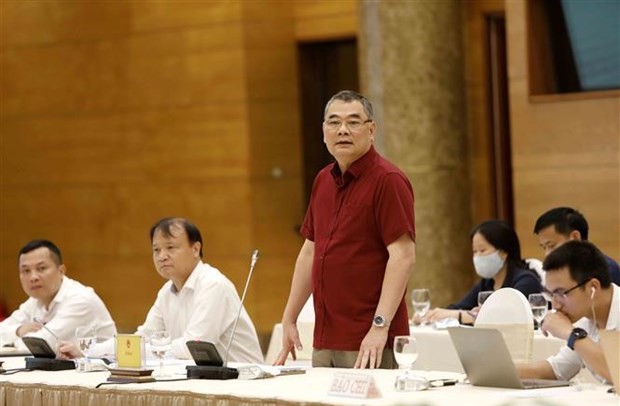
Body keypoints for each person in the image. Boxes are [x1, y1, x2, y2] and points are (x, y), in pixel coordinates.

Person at [274, 90, 416, 369]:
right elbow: (309, 251)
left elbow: (403, 256)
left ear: (371, 130)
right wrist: (289, 317)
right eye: (334, 122)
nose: (342, 130)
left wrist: (379, 327)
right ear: (323, 131)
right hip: (325, 337)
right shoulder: (323, 180)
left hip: (369, 340)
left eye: (353, 122)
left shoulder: (388, 180)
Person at [59, 217, 263, 363]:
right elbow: (143, 337)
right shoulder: (167, 291)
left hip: (243, 382)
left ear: (195, 249)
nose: (162, 256)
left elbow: (193, 347)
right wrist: (91, 351)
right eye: (156, 249)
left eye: (171, 248)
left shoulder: (213, 284)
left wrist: (148, 350)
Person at [517, 240, 618, 383]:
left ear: (593, 287)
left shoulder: (579, 328)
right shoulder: (585, 318)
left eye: (561, 293)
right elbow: (556, 369)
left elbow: (617, 374)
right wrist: (498, 370)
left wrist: (572, 334)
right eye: (551, 295)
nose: (556, 305)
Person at [0, 239, 116, 351]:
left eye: (41, 268)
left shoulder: (80, 299)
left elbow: (42, 345)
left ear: (61, 271)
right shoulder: (35, 301)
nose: (33, 277)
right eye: (26, 271)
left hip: (101, 369)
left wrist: (11, 341)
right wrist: (19, 330)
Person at [420, 220, 542, 325]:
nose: (477, 257)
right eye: (474, 251)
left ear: (503, 253)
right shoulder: (487, 283)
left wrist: (461, 316)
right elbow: (458, 307)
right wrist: (431, 314)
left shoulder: (526, 280)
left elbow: (506, 317)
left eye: (482, 250)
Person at [534, 206, 620, 285]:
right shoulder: (558, 272)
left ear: (575, 237)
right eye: (544, 247)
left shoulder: (604, 270)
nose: (547, 254)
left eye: (551, 245)